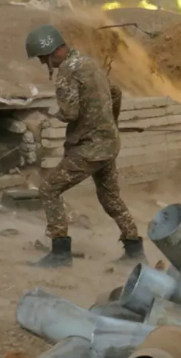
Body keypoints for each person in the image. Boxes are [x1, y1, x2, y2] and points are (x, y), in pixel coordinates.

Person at [24, 24, 146, 268]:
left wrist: (52, 114)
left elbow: (70, 113)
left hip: (89, 148)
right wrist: (110, 122)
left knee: (49, 189)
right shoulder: (89, 63)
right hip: (108, 144)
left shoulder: (67, 72)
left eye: (41, 58)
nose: (42, 63)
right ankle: (135, 249)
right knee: (110, 197)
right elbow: (116, 92)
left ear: (49, 52)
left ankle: (60, 253)